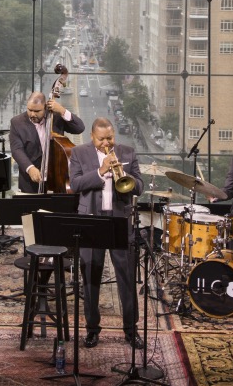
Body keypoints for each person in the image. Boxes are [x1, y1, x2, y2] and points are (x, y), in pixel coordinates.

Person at [68, 117, 144, 349]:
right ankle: (92, 329)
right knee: (91, 276)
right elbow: (76, 184)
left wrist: (125, 175)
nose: (106, 143)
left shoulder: (128, 152)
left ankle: (131, 330)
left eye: (110, 138)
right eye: (101, 139)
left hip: (120, 220)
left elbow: (139, 185)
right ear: (92, 137)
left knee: (127, 277)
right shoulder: (79, 153)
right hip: (92, 221)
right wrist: (101, 172)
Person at [9, 91, 85, 193]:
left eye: (37, 111)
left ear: (45, 107)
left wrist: (62, 111)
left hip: (57, 177)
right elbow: (16, 150)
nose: (32, 114)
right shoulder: (16, 122)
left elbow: (79, 128)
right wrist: (30, 168)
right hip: (30, 182)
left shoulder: (56, 117)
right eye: (29, 110)